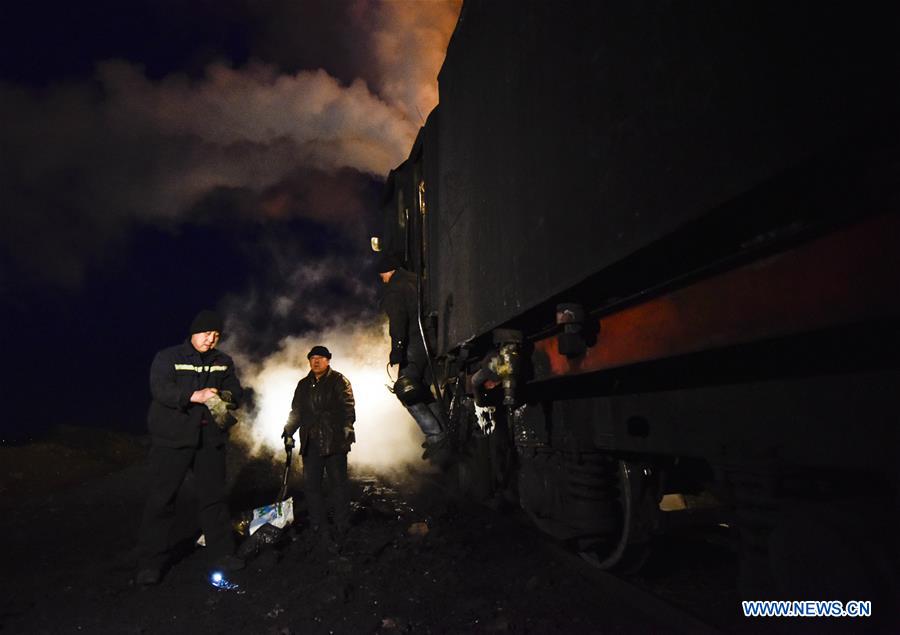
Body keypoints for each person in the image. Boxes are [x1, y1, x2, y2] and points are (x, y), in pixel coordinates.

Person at [135, 309, 245, 586]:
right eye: (207, 333)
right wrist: (194, 395)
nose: (212, 339)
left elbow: (236, 392)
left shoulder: (223, 361)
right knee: (162, 501)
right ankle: (151, 563)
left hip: (209, 441)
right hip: (172, 440)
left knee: (214, 499)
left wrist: (223, 395)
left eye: (217, 335)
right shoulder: (169, 357)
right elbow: (160, 389)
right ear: (194, 332)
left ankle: (222, 555)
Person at [376, 252, 450, 462]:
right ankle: (445, 431)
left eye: (382, 275)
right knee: (424, 390)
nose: (382, 279)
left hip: (414, 344)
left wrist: (397, 351)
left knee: (406, 391)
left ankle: (436, 435)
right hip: (433, 343)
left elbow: (398, 323)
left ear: (388, 272)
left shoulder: (394, 289)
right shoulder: (420, 281)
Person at [281, 346, 356, 548]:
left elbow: (348, 406)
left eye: (320, 358)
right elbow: (296, 411)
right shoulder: (303, 385)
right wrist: (288, 431)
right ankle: (318, 524)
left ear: (328, 360)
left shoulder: (339, 381)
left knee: (338, 485)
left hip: (334, 440)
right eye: (312, 358)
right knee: (312, 486)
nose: (316, 361)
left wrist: (348, 426)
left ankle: (342, 524)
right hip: (310, 442)